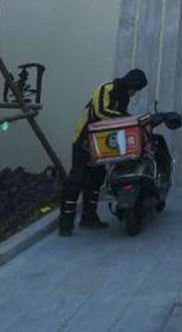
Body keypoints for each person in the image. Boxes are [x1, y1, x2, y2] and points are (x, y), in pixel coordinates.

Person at [58, 69, 148, 236]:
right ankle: (65, 223)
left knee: (96, 177)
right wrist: (128, 118)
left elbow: (118, 121)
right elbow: (101, 111)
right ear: (130, 84)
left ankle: (89, 218)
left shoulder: (125, 97)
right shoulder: (106, 88)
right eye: (135, 89)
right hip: (84, 138)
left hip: (102, 142)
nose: (134, 93)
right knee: (76, 178)